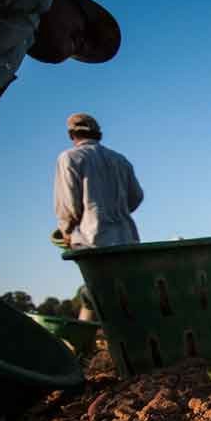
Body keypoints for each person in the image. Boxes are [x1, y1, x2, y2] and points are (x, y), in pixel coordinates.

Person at [0, 0, 121, 291]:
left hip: (92, 240)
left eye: (84, 48)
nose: (84, 43)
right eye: (84, 26)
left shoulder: (2, 63)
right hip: (119, 240)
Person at [54, 113, 143, 320]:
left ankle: (84, 340)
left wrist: (66, 231)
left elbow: (68, 206)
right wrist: (116, 210)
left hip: (92, 239)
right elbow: (136, 197)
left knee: (97, 290)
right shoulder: (120, 160)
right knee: (118, 290)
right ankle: (91, 339)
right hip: (126, 238)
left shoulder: (69, 158)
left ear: (72, 134)